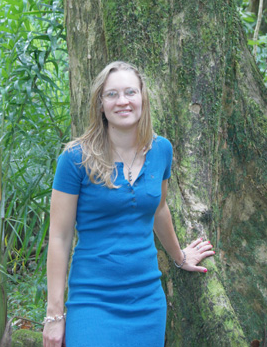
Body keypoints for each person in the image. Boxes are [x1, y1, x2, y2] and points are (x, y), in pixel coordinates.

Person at [43, 61, 215, 347]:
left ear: (143, 98)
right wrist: (54, 314)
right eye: (112, 94)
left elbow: (159, 208)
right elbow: (60, 238)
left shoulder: (162, 150)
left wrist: (180, 257)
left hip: (147, 300)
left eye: (130, 92)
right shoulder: (75, 159)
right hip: (92, 300)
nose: (122, 101)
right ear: (100, 103)